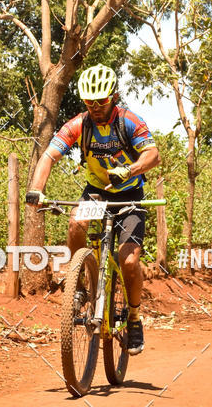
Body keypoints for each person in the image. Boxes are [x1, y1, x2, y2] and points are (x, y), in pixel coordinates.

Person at [26, 64, 160, 355]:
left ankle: (134, 319)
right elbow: (49, 155)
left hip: (130, 194)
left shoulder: (129, 121)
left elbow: (153, 154)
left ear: (114, 96)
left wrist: (130, 170)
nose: (96, 107)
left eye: (101, 101)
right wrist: (36, 189)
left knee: (128, 262)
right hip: (97, 193)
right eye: (90, 102)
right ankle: (78, 283)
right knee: (75, 224)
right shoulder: (79, 125)